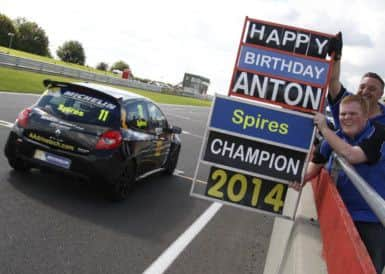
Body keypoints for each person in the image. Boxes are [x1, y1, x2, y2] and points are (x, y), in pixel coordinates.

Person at [291, 95, 385, 273]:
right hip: (341, 217)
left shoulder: (379, 134)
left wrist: (325, 129)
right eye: (342, 114)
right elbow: (311, 171)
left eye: (352, 114)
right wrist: (293, 179)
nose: (346, 118)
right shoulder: (333, 139)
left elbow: (352, 155)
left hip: (373, 220)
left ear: (365, 116)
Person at [327, 32, 385, 129]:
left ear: (381, 94)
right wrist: (336, 57)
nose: (365, 91)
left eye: (372, 89)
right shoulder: (346, 102)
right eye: (362, 87)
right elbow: (333, 81)